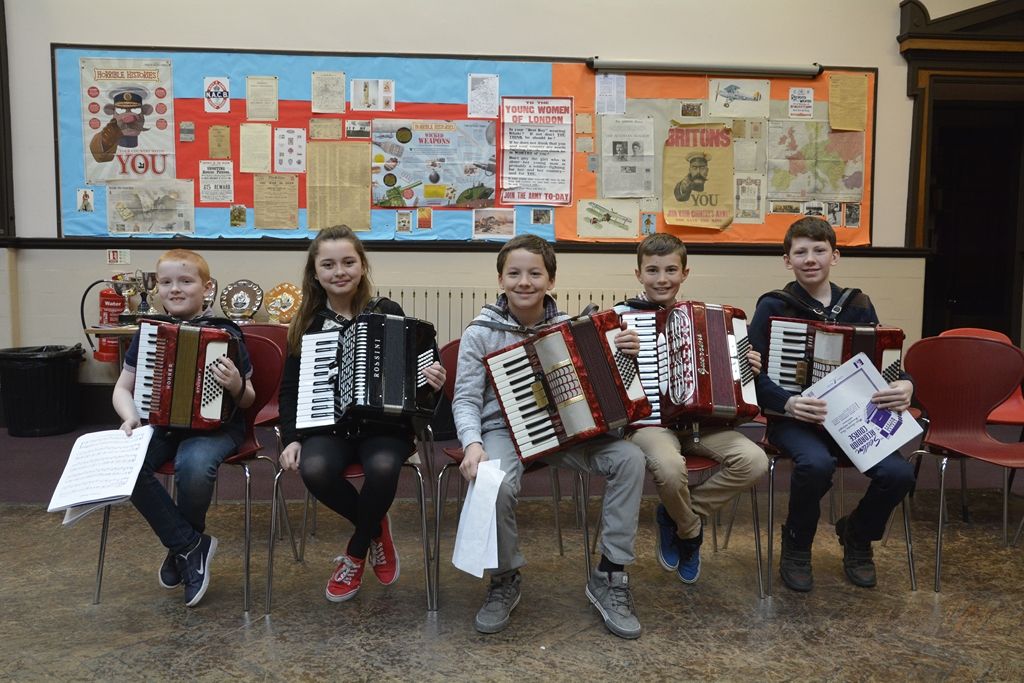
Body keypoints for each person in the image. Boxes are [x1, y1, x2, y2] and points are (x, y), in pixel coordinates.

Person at [453, 234, 647, 639]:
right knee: (493, 484)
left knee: (630, 458)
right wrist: (472, 443)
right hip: (504, 430)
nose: (524, 282)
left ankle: (610, 574)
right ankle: (504, 577)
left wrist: (626, 355)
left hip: (568, 432)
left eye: (535, 274)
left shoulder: (573, 329)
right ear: (501, 280)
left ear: (551, 281)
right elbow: (466, 399)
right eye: (514, 274)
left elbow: (614, 392)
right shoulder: (480, 332)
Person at [277, 225, 445, 603]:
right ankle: (374, 526)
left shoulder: (387, 311)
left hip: (384, 426)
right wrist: (290, 439)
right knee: (314, 469)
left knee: (383, 467)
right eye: (328, 264)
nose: (340, 271)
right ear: (315, 272)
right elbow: (289, 390)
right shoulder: (307, 324)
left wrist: (432, 379)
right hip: (329, 425)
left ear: (362, 265)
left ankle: (355, 552)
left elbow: (416, 374)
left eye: (348, 262)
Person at [748, 217, 915, 592]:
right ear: (787, 260)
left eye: (819, 250)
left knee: (899, 474)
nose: (810, 259)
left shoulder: (858, 305)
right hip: (794, 421)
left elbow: (885, 365)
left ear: (834, 256)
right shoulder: (774, 306)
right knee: (816, 464)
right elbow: (750, 375)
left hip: (852, 421)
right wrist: (788, 403)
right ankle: (797, 544)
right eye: (801, 252)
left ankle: (857, 533)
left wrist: (907, 384)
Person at [617, 233, 768, 584]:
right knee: (670, 470)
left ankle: (676, 517)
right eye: (652, 270)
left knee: (755, 461)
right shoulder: (621, 320)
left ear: (685, 273)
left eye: (671, 270)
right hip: (651, 425)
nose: (662, 279)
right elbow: (604, 384)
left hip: (704, 425)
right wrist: (618, 354)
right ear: (638, 274)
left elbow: (733, 378)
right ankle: (691, 531)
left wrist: (748, 369)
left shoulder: (705, 318)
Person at [112, 249, 255, 607]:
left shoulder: (226, 334)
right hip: (164, 426)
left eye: (186, 281)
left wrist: (236, 383)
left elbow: (249, 399)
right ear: (157, 288)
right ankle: (190, 545)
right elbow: (122, 388)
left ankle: (182, 546)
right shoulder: (149, 335)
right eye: (166, 282)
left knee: (193, 465)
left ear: (207, 288)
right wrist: (130, 416)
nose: (174, 289)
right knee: (129, 467)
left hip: (217, 429)